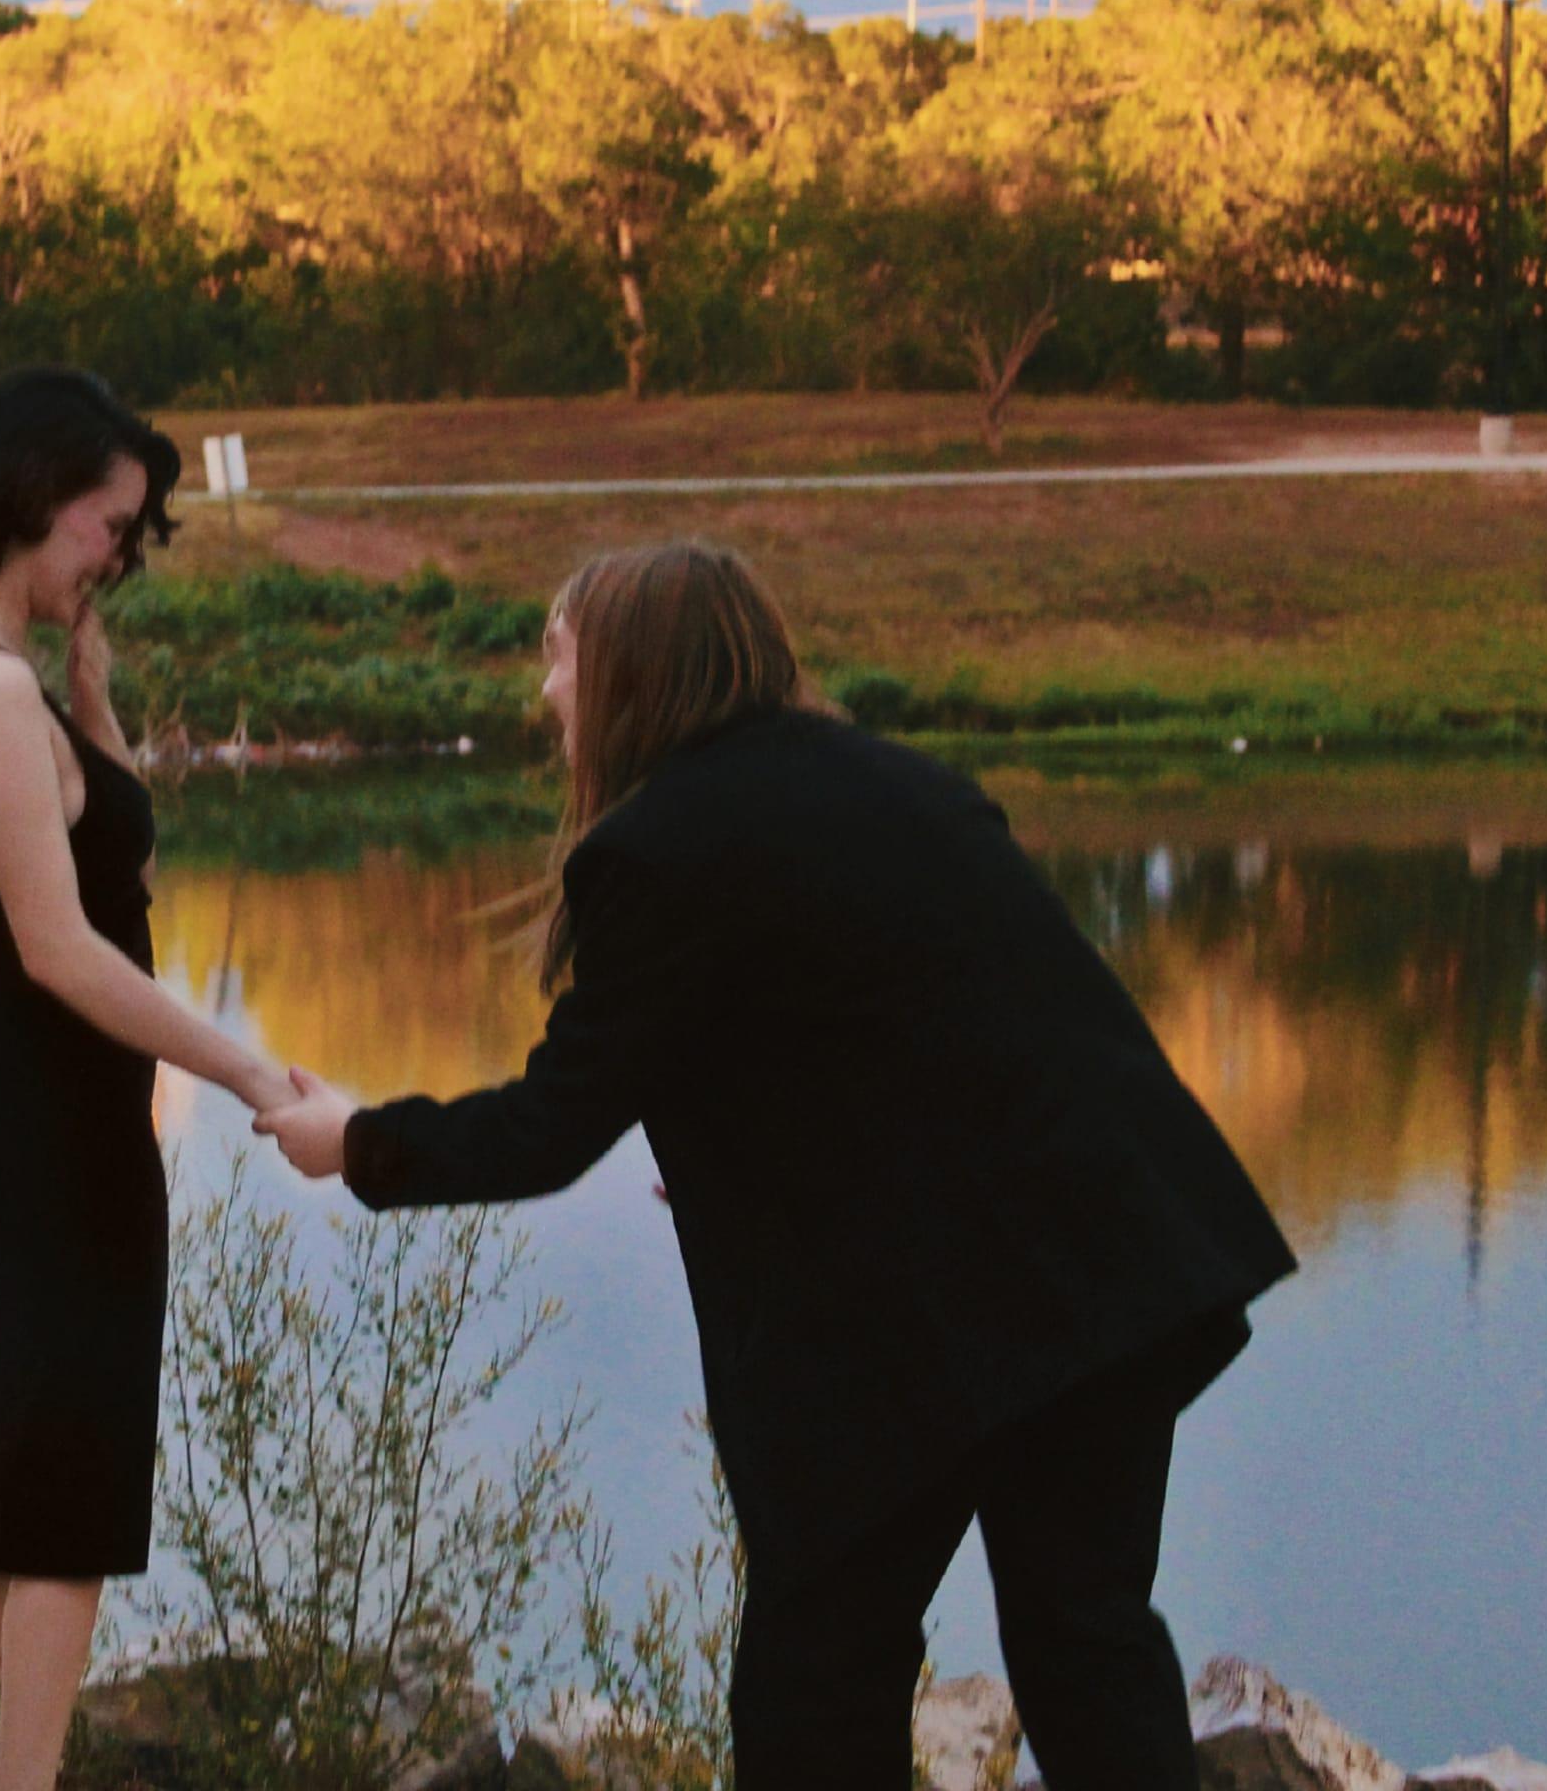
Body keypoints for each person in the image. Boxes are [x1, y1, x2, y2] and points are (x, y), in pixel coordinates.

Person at [258, 538, 1298, 1791]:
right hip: (1110, 1260)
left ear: (630, 669)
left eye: (557, 655)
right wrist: (742, 1145)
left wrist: (355, 1140)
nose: (544, 690)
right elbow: (926, 1039)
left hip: (945, 1315)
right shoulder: (898, 780)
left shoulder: (659, 845)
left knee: (816, 1674)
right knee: (1086, 1641)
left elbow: (548, 1123)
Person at [0, 367, 299, 1791]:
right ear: (33, 494)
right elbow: (62, 950)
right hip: (47, 1131)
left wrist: (96, 705)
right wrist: (248, 1067)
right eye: (110, 527)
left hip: (35, 1118)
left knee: (12, 1473)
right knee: (67, 1495)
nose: (119, 558)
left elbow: (117, 863)